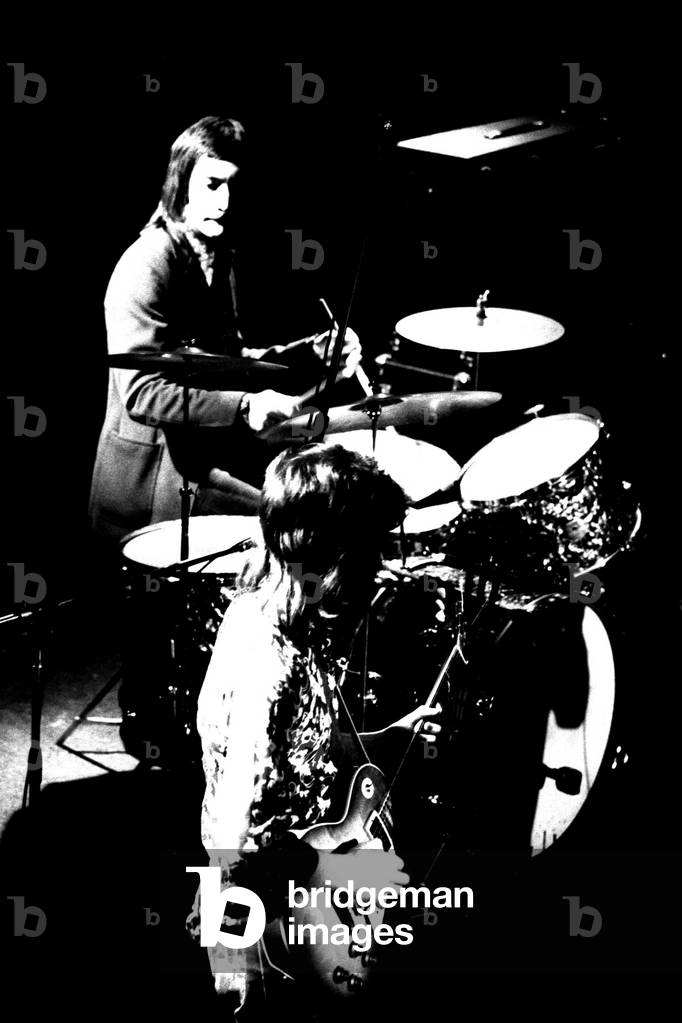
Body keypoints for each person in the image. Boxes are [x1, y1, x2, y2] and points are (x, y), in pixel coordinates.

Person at [189, 443, 441, 1017]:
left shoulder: (295, 618)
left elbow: (308, 741)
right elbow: (239, 830)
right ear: (332, 551)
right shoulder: (267, 662)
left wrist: (388, 736)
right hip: (259, 896)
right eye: (373, 548)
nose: (381, 564)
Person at [88, 115, 361, 539]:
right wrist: (245, 407)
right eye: (214, 184)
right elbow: (143, 392)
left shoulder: (216, 259)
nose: (227, 201)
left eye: (236, 186)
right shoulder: (147, 264)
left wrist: (311, 353)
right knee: (293, 530)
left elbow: (227, 362)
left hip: (197, 468)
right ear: (181, 184)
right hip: (148, 488)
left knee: (311, 516)